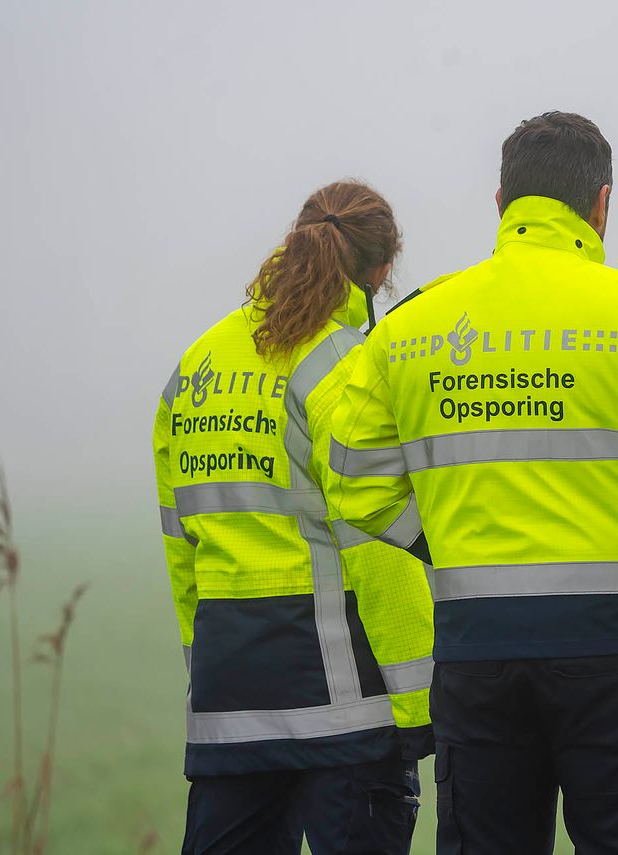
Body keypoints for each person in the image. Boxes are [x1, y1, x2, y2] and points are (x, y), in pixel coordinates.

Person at [325, 111, 618, 854]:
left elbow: (353, 477)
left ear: (501, 204)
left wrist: (442, 544)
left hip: (475, 656)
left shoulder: (410, 326)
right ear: (602, 204)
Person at [152, 181, 435, 854]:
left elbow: (181, 546)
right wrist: (422, 706)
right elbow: (377, 543)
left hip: (228, 703)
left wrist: (209, 676)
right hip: (343, 711)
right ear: (380, 270)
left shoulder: (194, 367)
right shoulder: (345, 363)